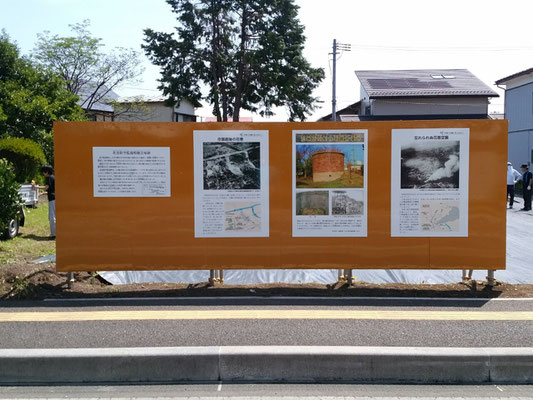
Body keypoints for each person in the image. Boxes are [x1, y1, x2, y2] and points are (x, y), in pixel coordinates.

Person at [32, 165, 55, 239]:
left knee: (52, 217)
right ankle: (54, 233)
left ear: (47, 172)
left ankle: (53, 235)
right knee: (52, 216)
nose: (43, 174)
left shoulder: (49, 178)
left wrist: (36, 187)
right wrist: (42, 194)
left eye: (43, 172)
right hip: (54, 199)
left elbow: (46, 188)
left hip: (52, 200)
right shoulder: (53, 177)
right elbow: (52, 190)